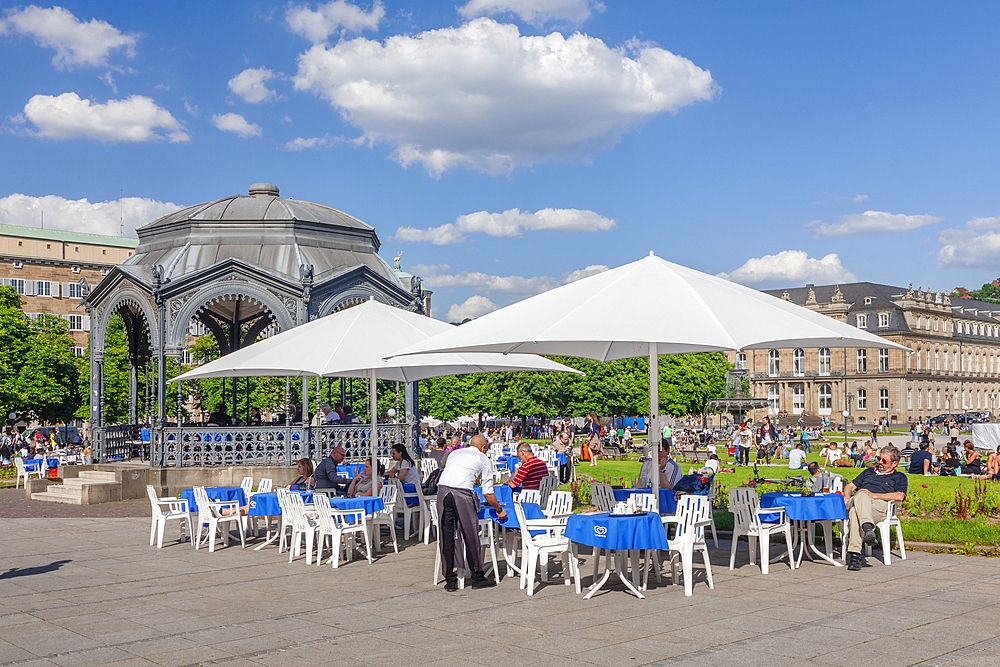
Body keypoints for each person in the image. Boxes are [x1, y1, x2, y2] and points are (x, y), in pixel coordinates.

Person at [437, 434, 506, 591]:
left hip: (442, 491)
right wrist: (498, 509)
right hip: (461, 493)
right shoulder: (483, 459)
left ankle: (450, 579)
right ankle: (477, 576)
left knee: (447, 535)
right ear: (483, 447)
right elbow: (488, 492)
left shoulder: (454, 453)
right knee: (471, 534)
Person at [844, 446, 908, 571]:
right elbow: (850, 486)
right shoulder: (868, 472)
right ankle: (867, 529)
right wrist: (846, 497)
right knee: (860, 496)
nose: (879, 462)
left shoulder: (899, 477)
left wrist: (873, 495)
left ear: (894, 463)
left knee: (854, 512)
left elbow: (900, 496)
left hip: (878, 506)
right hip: (859, 501)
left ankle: (855, 556)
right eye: (879, 458)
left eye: (884, 460)